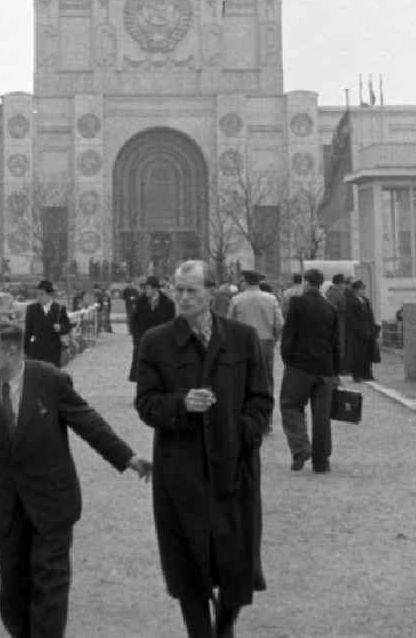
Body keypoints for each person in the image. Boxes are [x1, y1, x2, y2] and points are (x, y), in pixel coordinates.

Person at [0, 322, 152, 637]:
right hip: (5, 504)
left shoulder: (50, 380)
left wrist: (127, 457)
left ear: (12, 351)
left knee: (50, 583)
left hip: (52, 501)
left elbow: (87, 422)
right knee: (12, 585)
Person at [136, 259, 273, 638]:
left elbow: (261, 400)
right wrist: (181, 405)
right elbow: (146, 404)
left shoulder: (242, 338)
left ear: (211, 292)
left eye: (191, 290)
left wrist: (243, 433)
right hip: (180, 470)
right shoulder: (156, 341)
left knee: (236, 559)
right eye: (177, 290)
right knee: (188, 563)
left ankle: (224, 625)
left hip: (234, 468)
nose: (182, 298)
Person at [279, 267, 340, 475]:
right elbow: (335, 342)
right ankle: (322, 462)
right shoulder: (330, 309)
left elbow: (289, 333)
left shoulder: (297, 304)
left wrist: (286, 357)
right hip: (325, 368)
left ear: (306, 282)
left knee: (290, 405)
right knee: (322, 416)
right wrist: (335, 371)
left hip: (300, 366)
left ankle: (300, 449)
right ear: (321, 283)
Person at [228, 270, 283, 401]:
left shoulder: (236, 299)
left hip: (242, 342)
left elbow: (229, 323)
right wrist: (274, 338)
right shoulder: (271, 298)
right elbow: (280, 323)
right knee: (266, 376)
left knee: (244, 374)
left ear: (246, 282)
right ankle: (266, 411)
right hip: (265, 341)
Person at [128, 274, 175, 381]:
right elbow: (134, 320)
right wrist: (136, 337)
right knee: (141, 373)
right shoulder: (140, 301)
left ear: (156, 289)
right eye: (145, 288)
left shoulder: (168, 303)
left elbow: (171, 323)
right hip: (143, 340)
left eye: (148, 288)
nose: (146, 290)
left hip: (161, 341)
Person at [23, 279, 72, 367]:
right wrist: (26, 351)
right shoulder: (31, 309)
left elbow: (68, 326)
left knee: (52, 377)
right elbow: (28, 332)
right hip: (36, 351)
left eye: (42, 294)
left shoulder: (59, 309)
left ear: (49, 295)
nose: (39, 297)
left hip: (53, 351)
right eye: (37, 294)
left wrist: (60, 328)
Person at [344, 279, 379, 381]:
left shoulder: (365, 300)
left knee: (368, 353)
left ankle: (368, 374)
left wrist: (372, 328)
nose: (363, 291)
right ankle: (358, 375)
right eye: (361, 289)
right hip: (357, 332)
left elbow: (370, 315)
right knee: (358, 354)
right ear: (355, 290)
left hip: (368, 330)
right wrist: (358, 330)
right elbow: (351, 318)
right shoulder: (351, 301)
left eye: (363, 289)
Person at [325, 274, 348, 367]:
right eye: (343, 283)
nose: (344, 285)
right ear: (339, 283)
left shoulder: (328, 292)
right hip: (339, 322)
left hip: (329, 323)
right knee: (340, 345)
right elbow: (342, 309)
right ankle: (338, 367)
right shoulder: (339, 294)